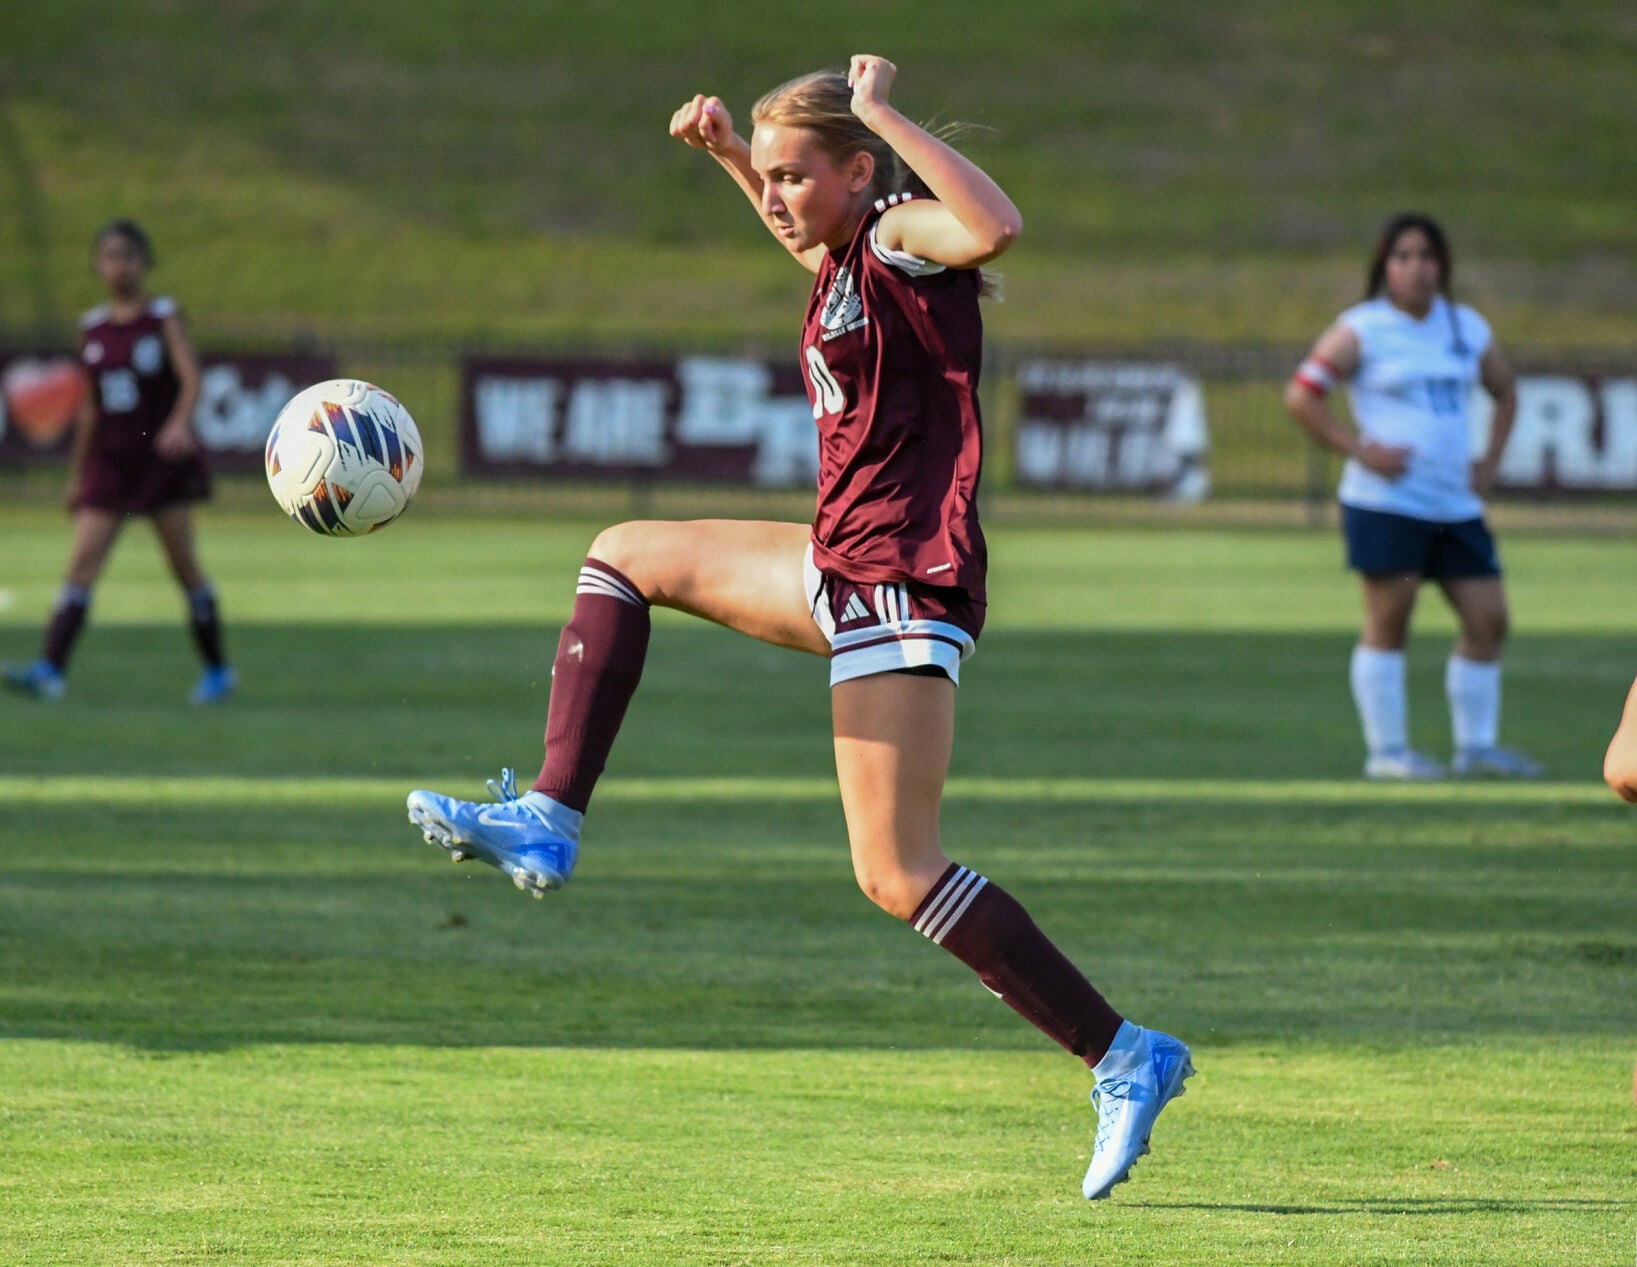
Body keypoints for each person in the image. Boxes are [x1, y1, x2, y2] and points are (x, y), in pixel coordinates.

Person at [406, 55, 1191, 1199]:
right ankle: (547, 815)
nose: (776, 199)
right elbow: (800, 238)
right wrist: (732, 154)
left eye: (793, 175)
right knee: (621, 553)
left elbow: (997, 222)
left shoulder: (899, 236)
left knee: (894, 870)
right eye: (767, 179)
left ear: (857, 171)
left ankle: (1125, 1054)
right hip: (838, 560)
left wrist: (878, 110)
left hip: (900, 583)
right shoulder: (838, 256)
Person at [1284, 212, 1541, 781]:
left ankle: (1476, 749)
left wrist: (1491, 460)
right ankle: (1389, 752)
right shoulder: (1362, 329)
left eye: (1427, 256)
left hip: (1454, 503)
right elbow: (1303, 396)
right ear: (1385, 266)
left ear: (1442, 265)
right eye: (1403, 256)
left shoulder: (1464, 327)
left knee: (1489, 620)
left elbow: (1505, 391)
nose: (1416, 267)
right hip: (1387, 502)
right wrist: (1359, 449)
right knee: (1389, 622)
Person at [2, 219, 235, 705]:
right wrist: (77, 475)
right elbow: (90, 408)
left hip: (159, 464)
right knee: (80, 566)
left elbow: (191, 379)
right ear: (97, 265)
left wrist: (176, 424)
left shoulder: (163, 319)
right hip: (111, 464)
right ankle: (50, 671)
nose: (118, 265)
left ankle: (217, 671)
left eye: (128, 255)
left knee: (184, 567)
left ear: (144, 263)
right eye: (109, 256)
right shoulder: (93, 328)